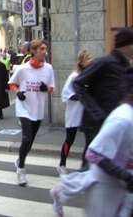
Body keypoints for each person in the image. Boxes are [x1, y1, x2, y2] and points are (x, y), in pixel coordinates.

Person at [50, 67, 133, 217]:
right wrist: (127, 177)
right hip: (106, 188)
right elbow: (93, 154)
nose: (91, 61)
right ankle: (61, 184)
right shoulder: (123, 119)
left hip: (120, 186)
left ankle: (61, 192)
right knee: (72, 143)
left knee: (87, 173)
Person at [73, 27, 133, 171]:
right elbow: (78, 83)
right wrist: (96, 112)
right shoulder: (105, 62)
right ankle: (73, 188)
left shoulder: (125, 65)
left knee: (106, 160)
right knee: (90, 161)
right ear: (125, 46)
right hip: (96, 123)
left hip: (112, 121)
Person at [8, 39, 55, 186]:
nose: (44, 51)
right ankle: (21, 169)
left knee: (31, 141)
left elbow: (51, 88)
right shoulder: (23, 69)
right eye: (41, 49)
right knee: (26, 138)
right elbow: (12, 83)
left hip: (38, 109)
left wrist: (45, 89)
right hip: (24, 108)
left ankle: (19, 160)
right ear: (33, 51)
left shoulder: (48, 68)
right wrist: (18, 93)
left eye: (45, 49)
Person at [56, 50, 93, 175]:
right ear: (81, 62)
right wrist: (81, 96)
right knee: (70, 139)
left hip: (86, 112)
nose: (91, 60)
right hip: (74, 111)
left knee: (90, 140)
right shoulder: (74, 76)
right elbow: (66, 94)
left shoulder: (90, 75)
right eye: (88, 59)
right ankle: (61, 164)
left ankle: (86, 166)